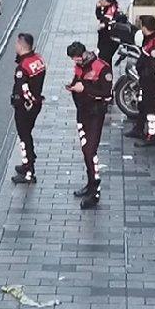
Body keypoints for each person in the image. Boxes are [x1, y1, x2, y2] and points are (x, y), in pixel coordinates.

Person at [65, 42, 112, 209]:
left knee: (91, 152)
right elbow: (77, 81)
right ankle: (90, 184)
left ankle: (95, 191)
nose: (75, 62)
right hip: (82, 113)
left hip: (95, 114)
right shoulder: (79, 67)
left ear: (83, 54)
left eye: (76, 59)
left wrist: (83, 88)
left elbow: (106, 93)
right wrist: (72, 87)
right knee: (86, 151)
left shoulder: (101, 68)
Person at [10, 33, 46, 184]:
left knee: (24, 137)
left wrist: (27, 103)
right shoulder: (39, 60)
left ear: (21, 45)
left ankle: (29, 171)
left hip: (25, 107)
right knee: (27, 134)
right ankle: (27, 163)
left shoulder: (22, 67)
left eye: (16, 44)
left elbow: (24, 90)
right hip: (36, 104)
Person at [126, 15, 155, 148]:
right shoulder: (151, 39)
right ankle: (138, 128)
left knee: (150, 109)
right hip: (145, 81)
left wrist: (147, 76)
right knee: (142, 104)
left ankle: (151, 137)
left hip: (150, 82)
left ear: (144, 27)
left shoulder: (154, 45)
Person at [95, 0, 121, 65]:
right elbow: (99, 17)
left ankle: (106, 76)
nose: (99, 1)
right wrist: (98, 8)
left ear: (105, 1)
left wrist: (102, 25)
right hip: (108, 40)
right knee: (106, 61)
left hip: (108, 40)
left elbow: (103, 19)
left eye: (101, 0)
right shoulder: (113, 4)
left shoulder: (110, 10)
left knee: (103, 61)